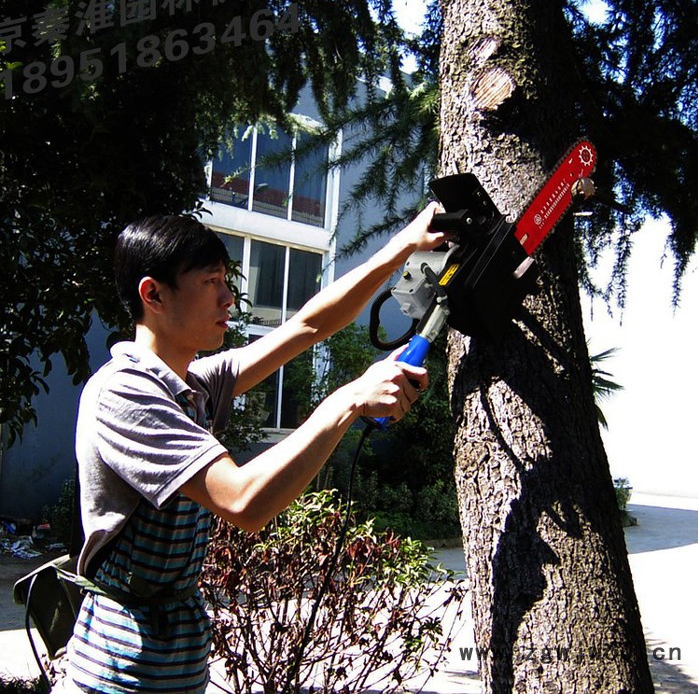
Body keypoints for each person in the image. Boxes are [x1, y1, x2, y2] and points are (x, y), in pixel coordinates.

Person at [59, 204, 446, 693]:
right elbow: (243, 501)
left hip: (176, 666)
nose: (229, 298)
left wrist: (403, 246)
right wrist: (348, 399)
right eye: (211, 282)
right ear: (153, 294)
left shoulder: (190, 385)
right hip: (117, 675)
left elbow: (308, 326)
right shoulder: (124, 393)